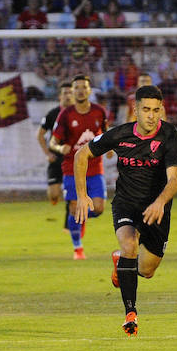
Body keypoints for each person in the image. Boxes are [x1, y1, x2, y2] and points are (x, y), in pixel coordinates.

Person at [73, 84, 177, 336]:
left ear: (161, 110)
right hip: (126, 203)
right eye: (146, 110)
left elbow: (174, 179)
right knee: (129, 245)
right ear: (135, 110)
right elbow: (81, 155)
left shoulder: (169, 136)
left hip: (157, 210)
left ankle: (119, 261)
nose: (151, 115)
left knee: (146, 270)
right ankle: (130, 314)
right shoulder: (119, 134)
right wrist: (82, 194)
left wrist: (159, 202)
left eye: (156, 110)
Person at [49, 74, 109, 260]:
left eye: (84, 87)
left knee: (98, 208)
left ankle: (79, 219)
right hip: (72, 169)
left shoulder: (99, 111)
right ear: (73, 91)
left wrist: (111, 147)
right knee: (75, 209)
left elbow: (107, 132)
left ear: (90, 90)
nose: (80, 90)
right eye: (77, 88)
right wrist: (60, 147)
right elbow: (52, 142)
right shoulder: (65, 114)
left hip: (95, 168)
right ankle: (78, 249)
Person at [36, 81, 73, 214]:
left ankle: (71, 209)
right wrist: (47, 154)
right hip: (56, 157)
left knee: (73, 193)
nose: (68, 96)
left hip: (72, 158)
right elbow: (40, 135)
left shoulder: (79, 113)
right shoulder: (52, 114)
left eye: (70, 93)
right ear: (60, 97)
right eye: (65, 93)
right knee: (54, 195)